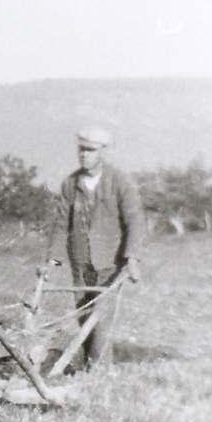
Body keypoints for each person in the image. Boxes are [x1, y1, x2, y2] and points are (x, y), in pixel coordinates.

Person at [40, 124, 145, 370]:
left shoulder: (120, 181)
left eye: (90, 150)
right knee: (84, 316)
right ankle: (91, 367)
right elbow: (60, 226)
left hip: (110, 263)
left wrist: (132, 259)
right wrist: (51, 263)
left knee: (101, 318)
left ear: (104, 152)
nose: (84, 154)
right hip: (82, 265)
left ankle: (99, 372)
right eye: (81, 149)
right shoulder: (70, 184)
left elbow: (135, 221)